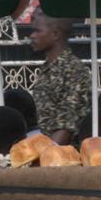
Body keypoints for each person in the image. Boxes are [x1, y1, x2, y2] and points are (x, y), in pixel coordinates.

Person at [30, 8, 91, 145]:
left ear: (55, 34)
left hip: (61, 157)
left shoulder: (73, 70)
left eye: (38, 31)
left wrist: (43, 160)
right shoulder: (47, 68)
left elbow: (65, 129)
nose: (32, 36)